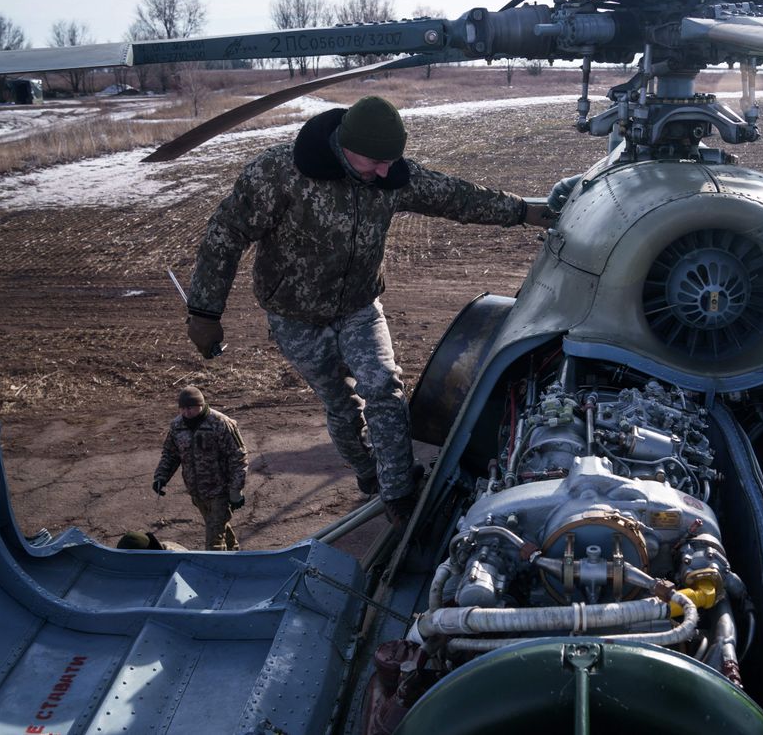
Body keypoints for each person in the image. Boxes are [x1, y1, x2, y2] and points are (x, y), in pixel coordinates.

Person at [182, 96, 552, 523]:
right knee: (341, 404)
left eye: (390, 162)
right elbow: (225, 235)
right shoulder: (280, 173)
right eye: (374, 161)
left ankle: (398, 491)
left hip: (359, 307)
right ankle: (366, 472)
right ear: (344, 145)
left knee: (383, 387)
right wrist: (205, 311)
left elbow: (456, 197)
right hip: (295, 317)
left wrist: (525, 211)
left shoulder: (389, 176)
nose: (383, 172)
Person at [153, 386, 248, 550]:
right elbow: (170, 454)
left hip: (221, 492)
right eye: (182, 408)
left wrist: (235, 490)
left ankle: (217, 571)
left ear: (201, 405)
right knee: (216, 526)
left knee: (213, 544)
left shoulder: (220, 423)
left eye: (190, 408)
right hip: (197, 493)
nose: (186, 413)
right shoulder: (177, 426)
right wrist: (161, 477)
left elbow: (238, 456)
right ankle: (235, 553)